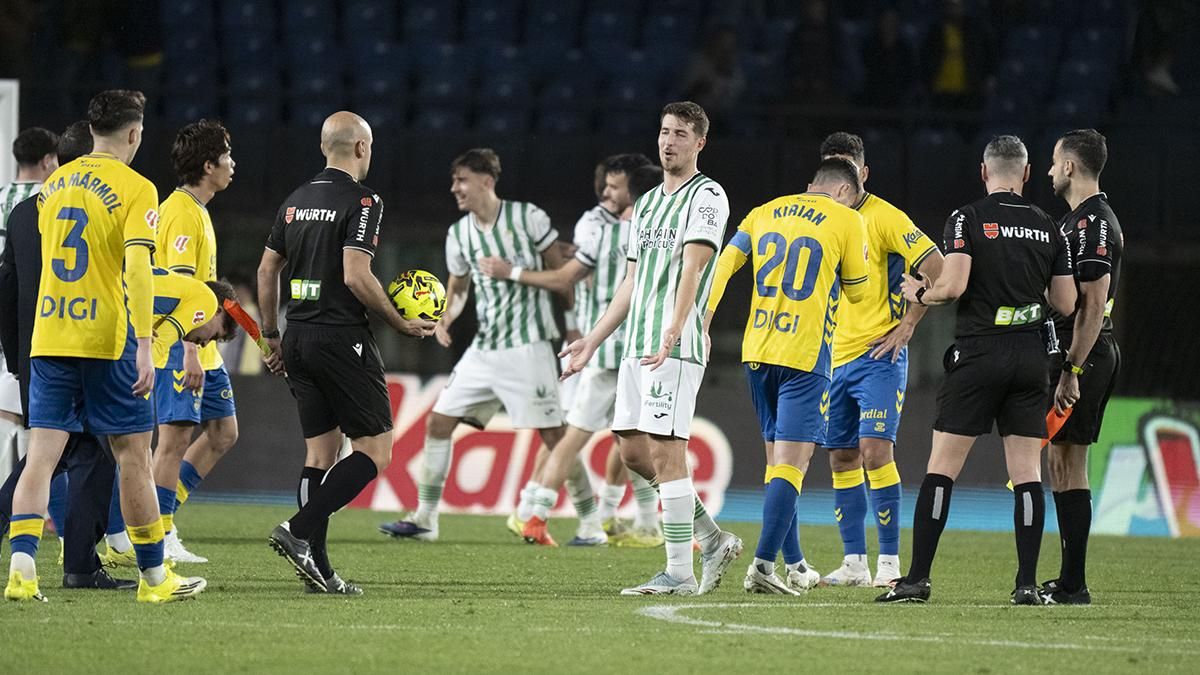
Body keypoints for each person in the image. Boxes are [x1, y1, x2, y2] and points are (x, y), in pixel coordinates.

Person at [4, 90, 206, 603]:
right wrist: (144, 341)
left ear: (92, 130)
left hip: (49, 335)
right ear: (135, 133)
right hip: (108, 338)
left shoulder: (51, 188)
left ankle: (22, 572)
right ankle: (155, 581)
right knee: (133, 457)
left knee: (41, 459)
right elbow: (137, 267)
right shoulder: (138, 188)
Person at [877, 135, 1077, 605]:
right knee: (1027, 473)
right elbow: (1066, 303)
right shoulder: (1051, 227)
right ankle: (1026, 585)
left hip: (980, 352)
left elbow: (954, 286)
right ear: (1026, 174)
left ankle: (917, 580)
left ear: (984, 172)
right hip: (1030, 357)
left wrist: (919, 293)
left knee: (942, 467)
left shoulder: (968, 217)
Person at [561, 101, 741, 596]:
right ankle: (711, 537)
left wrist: (675, 328)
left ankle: (680, 573)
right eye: (664, 132)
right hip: (635, 345)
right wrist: (591, 341)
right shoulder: (645, 205)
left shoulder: (707, 197)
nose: (669, 142)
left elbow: (694, 267)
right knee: (633, 450)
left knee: (667, 454)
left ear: (700, 143)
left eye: (681, 134)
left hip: (673, 347)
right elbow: (631, 282)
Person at [259, 111, 435, 595]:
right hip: (341, 338)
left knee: (319, 452)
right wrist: (399, 322)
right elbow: (357, 274)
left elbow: (266, 268)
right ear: (361, 148)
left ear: (324, 148)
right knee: (375, 452)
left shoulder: (295, 201)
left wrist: (271, 335)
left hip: (299, 336)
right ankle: (298, 531)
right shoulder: (364, 200)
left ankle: (318, 567)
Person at [380, 148, 573, 544]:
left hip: (530, 344)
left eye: (462, 180)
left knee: (556, 436)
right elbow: (459, 285)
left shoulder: (528, 218)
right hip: (485, 348)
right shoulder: (459, 234)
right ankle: (426, 518)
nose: (455, 188)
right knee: (439, 422)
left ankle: (589, 522)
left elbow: (562, 275)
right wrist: (447, 315)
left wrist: (570, 326)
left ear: (487, 181)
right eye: (453, 181)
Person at [476, 155, 664, 548]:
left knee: (625, 438)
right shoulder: (639, 232)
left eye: (617, 187)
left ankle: (617, 518)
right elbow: (569, 276)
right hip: (621, 348)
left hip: (604, 346)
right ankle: (537, 512)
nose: (608, 194)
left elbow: (572, 271)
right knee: (583, 436)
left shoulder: (613, 232)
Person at [705, 157, 871, 595]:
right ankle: (762, 566)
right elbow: (857, 292)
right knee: (794, 466)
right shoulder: (847, 220)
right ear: (843, 192)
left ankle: (795, 563)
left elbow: (725, 264)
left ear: (811, 183)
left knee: (779, 464)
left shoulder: (765, 210)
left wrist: (703, 320)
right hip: (805, 355)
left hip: (757, 350)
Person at [0, 120, 135, 591]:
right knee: (95, 455)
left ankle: (64, 558)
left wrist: (16, 358)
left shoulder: (23, 214)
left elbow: (9, 291)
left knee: (48, 455)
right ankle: (81, 563)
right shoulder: (109, 205)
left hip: (35, 352)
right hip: (89, 347)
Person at [818, 132, 945, 588]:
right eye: (834, 168)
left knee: (875, 452)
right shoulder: (816, 221)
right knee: (841, 458)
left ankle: (889, 562)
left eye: (849, 168)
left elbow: (936, 265)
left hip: (879, 354)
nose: (841, 180)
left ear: (863, 174)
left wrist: (909, 324)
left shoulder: (885, 217)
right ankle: (854, 563)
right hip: (832, 357)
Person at [148, 119, 239, 564]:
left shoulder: (197, 209)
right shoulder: (181, 212)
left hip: (205, 346)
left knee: (223, 432)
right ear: (208, 164)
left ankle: (161, 518)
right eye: (227, 156)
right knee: (173, 441)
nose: (233, 164)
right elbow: (180, 289)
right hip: (182, 347)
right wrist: (188, 351)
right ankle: (156, 534)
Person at [1041, 129, 1124, 605]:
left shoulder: (1093, 224)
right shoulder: (1077, 221)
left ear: (1070, 167)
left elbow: (1093, 307)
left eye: (1054, 163)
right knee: (1062, 460)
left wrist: (1072, 369)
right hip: (1077, 355)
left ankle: (1075, 584)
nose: (1051, 171)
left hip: (1086, 354)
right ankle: (1070, 579)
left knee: (1071, 462)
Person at [0, 126, 60, 478]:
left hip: (5, 306)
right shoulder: (45, 199)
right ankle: (36, 499)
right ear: (48, 160)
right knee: (32, 413)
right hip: (32, 311)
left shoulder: (1, 195)